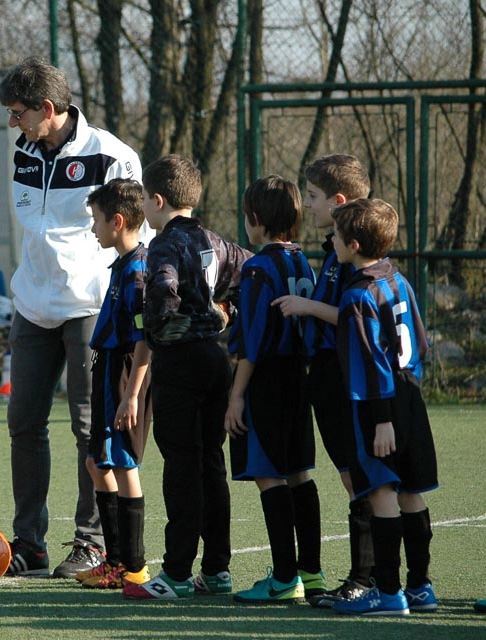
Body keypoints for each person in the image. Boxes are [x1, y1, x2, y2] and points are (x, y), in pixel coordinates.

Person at [0, 56, 143, 579]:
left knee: (89, 428)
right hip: (32, 307)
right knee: (23, 423)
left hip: (91, 308)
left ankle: (92, 542)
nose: (13, 122)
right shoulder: (23, 150)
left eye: (18, 112)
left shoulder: (112, 155)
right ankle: (29, 542)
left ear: (47, 108)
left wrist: (127, 306)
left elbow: (138, 237)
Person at [123, 155, 251, 600]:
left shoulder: (164, 245)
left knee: (181, 467)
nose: (143, 206)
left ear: (157, 201)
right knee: (211, 463)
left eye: (144, 198)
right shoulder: (215, 241)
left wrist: (151, 322)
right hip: (215, 361)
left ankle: (176, 572)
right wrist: (223, 313)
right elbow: (250, 273)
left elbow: (162, 295)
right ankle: (216, 569)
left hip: (179, 363)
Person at [271, 154, 374, 607]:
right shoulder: (334, 248)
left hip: (346, 377)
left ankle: (368, 578)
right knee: (353, 477)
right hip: (327, 377)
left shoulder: (356, 252)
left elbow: (358, 315)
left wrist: (307, 307)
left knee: (361, 480)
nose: (307, 205)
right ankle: (372, 577)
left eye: (313, 196)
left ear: (339, 201)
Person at [330, 199, 438, 616]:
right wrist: (406, 399)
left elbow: (372, 363)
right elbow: (420, 344)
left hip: (377, 408)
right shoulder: (398, 279)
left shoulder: (357, 295)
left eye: (337, 235)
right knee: (412, 491)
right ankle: (421, 587)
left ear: (354, 245)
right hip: (410, 396)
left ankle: (389, 592)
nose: (332, 241)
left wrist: (381, 421)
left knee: (381, 492)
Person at [224, 175, 324, 604]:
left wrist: (236, 396)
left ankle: (284, 578)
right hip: (298, 377)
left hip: (266, 379)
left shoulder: (257, 268)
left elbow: (253, 341)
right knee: (299, 472)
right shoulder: (303, 262)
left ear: (256, 220)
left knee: (269, 474)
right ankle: (312, 572)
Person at [69, 179, 151, 590]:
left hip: (122, 373)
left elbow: (143, 338)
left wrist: (131, 395)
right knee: (97, 462)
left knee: (122, 463)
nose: (93, 228)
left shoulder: (138, 270)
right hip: (109, 371)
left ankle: (133, 567)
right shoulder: (123, 264)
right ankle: (115, 560)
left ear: (117, 222)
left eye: (96, 220)